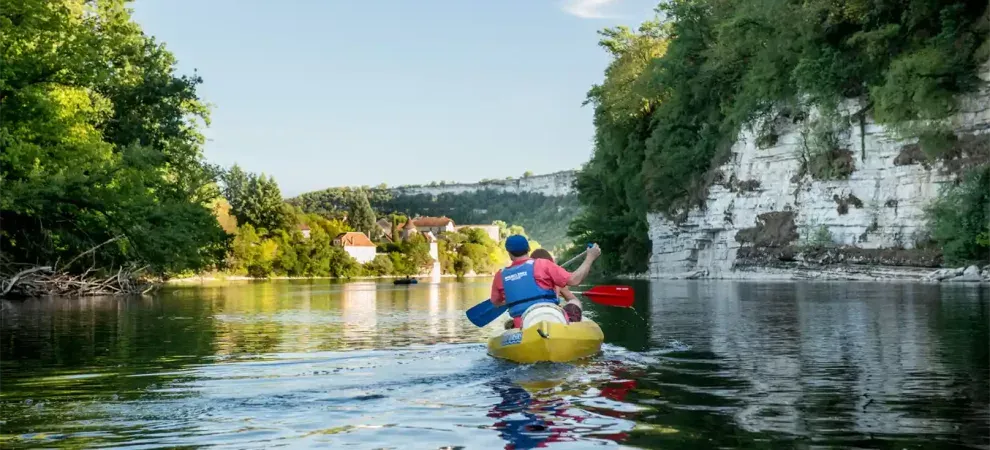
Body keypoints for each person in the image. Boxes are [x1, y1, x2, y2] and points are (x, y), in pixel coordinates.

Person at [491, 235, 600, 329]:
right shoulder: (543, 264)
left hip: (523, 325)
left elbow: (496, 303)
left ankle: (514, 327)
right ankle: (569, 326)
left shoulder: (500, 275)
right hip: (553, 320)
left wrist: (514, 297)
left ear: (509, 253)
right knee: (575, 302)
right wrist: (590, 258)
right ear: (528, 249)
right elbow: (574, 280)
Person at [529, 248, 583, 322]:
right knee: (575, 302)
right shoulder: (558, 283)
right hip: (552, 316)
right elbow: (573, 299)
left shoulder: (526, 279)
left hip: (531, 316)